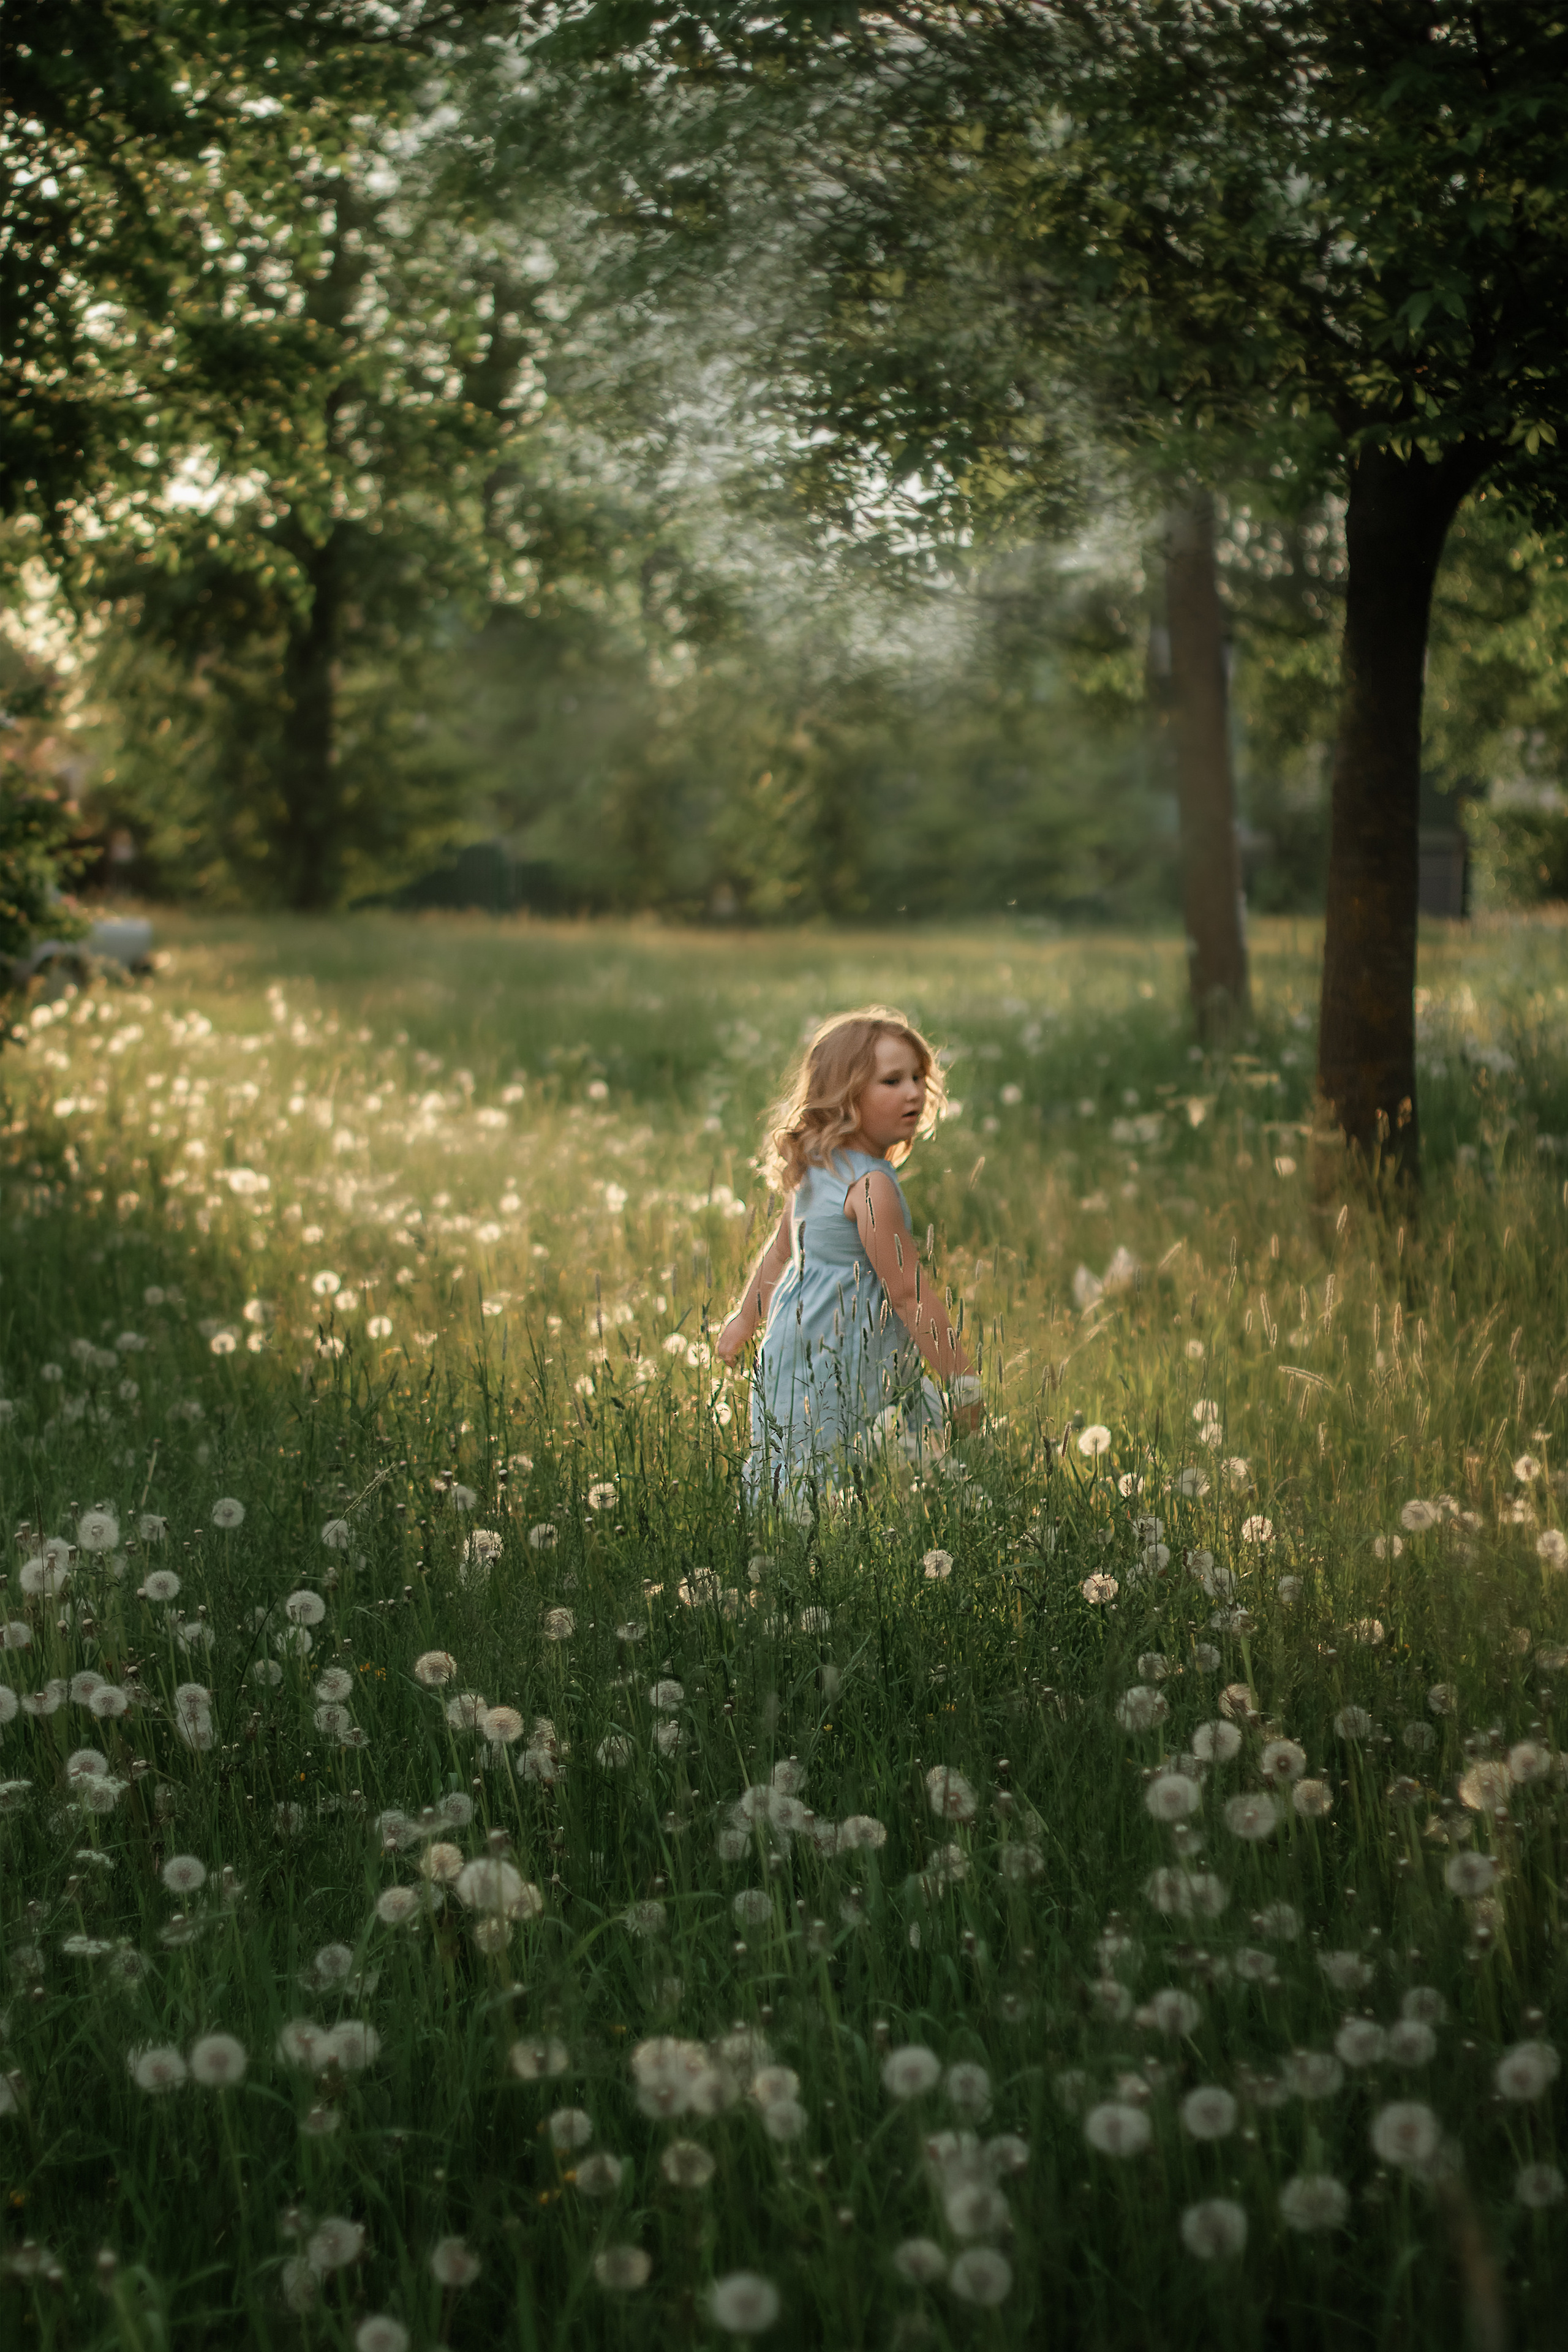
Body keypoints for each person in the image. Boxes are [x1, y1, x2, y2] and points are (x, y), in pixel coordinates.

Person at [715, 1006, 982, 1500]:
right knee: (870, 1466)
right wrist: (962, 1382)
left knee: (798, 1462)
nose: (914, 1092)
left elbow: (780, 1255)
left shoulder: (816, 1167)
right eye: (892, 1081)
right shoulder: (870, 1185)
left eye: (919, 1077)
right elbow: (908, 1296)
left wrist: (746, 1320)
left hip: (794, 1351)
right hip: (852, 1359)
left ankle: (792, 1544)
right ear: (846, 1095)